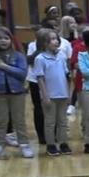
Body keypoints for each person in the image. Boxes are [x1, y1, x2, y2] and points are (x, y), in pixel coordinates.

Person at [32, 28, 71, 156]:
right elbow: (40, 78)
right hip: (50, 95)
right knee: (50, 122)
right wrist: (45, 96)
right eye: (52, 39)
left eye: (56, 39)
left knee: (62, 121)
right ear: (44, 43)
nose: (55, 42)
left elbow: (66, 76)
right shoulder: (40, 58)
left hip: (63, 94)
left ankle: (63, 143)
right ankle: (51, 145)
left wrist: (68, 93)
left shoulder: (61, 56)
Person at [0, 26, 33, 159]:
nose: (3, 41)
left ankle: (24, 144)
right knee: (1, 120)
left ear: (11, 40)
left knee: (19, 120)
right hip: (0, 93)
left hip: (17, 92)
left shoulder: (18, 56)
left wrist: (4, 67)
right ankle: (0, 144)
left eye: (6, 38)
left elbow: (22, 73)